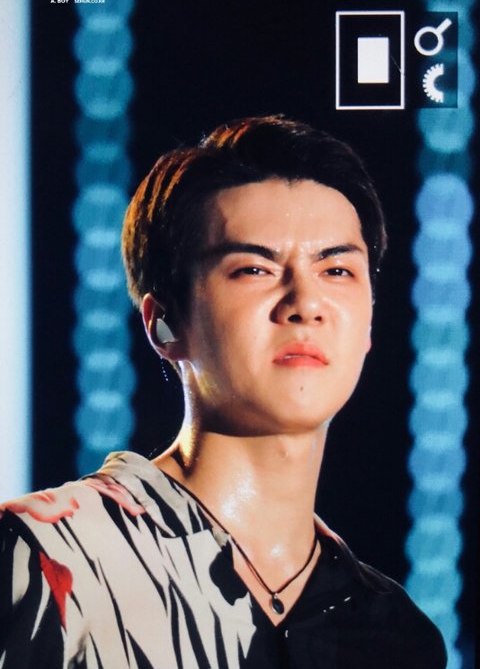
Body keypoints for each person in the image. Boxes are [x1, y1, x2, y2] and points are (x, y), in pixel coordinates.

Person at [0, 116, 446, 668]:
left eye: (336, 270)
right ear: (164, 323)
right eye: (254, 269)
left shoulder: (395, 633)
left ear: (370, 320)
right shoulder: (49, 558)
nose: (305, 303)